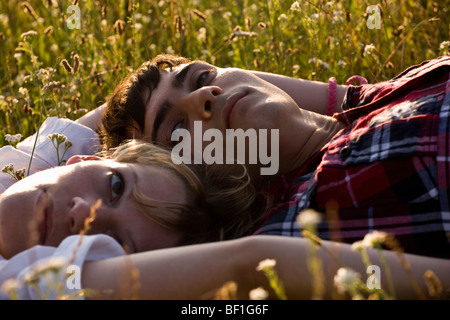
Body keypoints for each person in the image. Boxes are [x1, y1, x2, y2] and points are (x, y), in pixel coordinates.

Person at [99, 54, 450, 259]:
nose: (206, 94)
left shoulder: (372, 97)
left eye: (201, 76)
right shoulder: (300, 230)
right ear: (189, 183)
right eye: (177, 131)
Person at [0, 117, 258, 299]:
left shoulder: (27, 286)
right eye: (115, 186)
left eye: (109, 243)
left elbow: (247, 263)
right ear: (86, 159)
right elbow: (139, 94)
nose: (82, 214)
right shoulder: (21, 169)